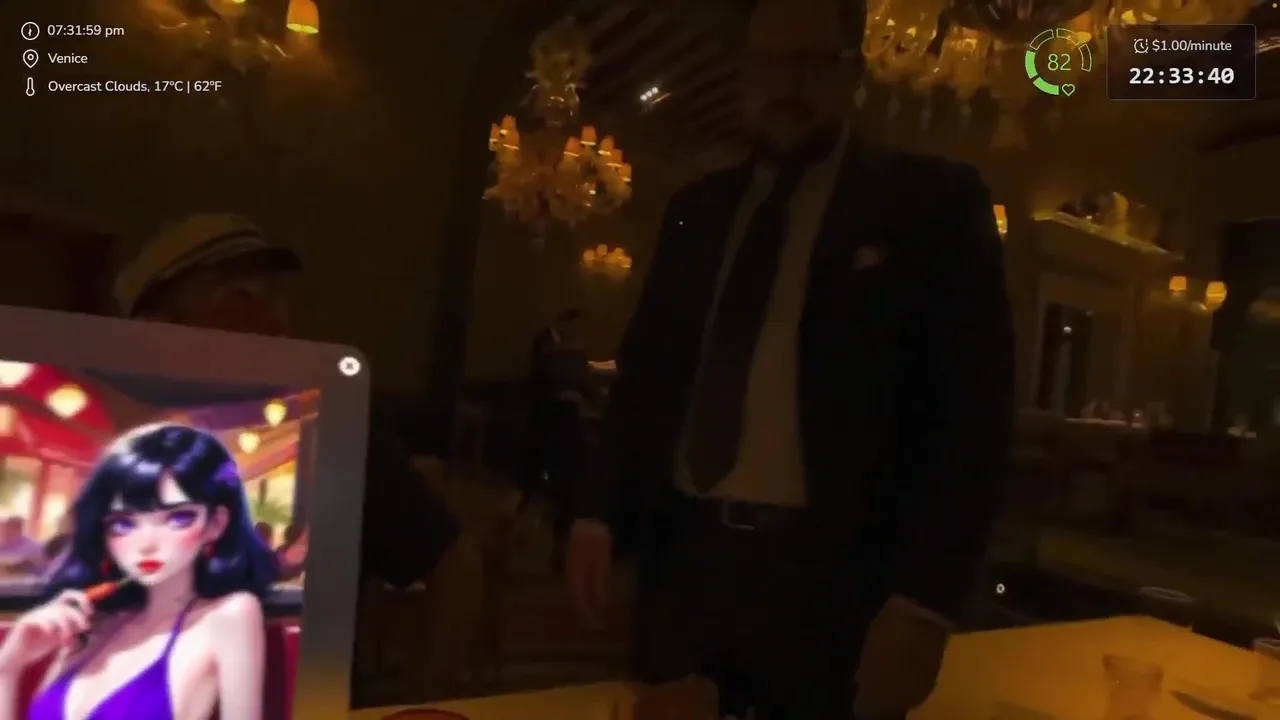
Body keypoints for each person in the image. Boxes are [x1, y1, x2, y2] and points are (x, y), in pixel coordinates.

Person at [564, 0, 1014, 717]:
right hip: (687, 565)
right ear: (746, 73)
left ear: (852, 72)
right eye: (770, 63)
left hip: (836, 585)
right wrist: (598, 514)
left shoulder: (932, 204)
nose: (789, 85)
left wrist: (927, 601)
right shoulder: (696, 211)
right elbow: (647, 377)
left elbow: (975, 416)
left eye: (812, 62)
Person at [114, 214, 482, 702]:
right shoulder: (119, 441)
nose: (279, 323)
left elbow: (454, 565)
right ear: (158, 327)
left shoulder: (330, 431)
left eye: (279, 298)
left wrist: (417, 696)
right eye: (244, 297)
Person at [2, 423, 277, 719]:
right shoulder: (93, 624)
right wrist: (8, 666)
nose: (147, 544)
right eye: (123, 523)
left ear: (216, 524)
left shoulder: (229, 615)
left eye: (179, 518)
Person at [521, 309, 589, 564]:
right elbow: (550, 375)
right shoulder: (549, 346)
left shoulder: (570, 353)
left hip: (564, 418)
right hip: (551, 417)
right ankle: (520, 534)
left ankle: (557, 544)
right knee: (537, 482)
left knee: (564, 485)